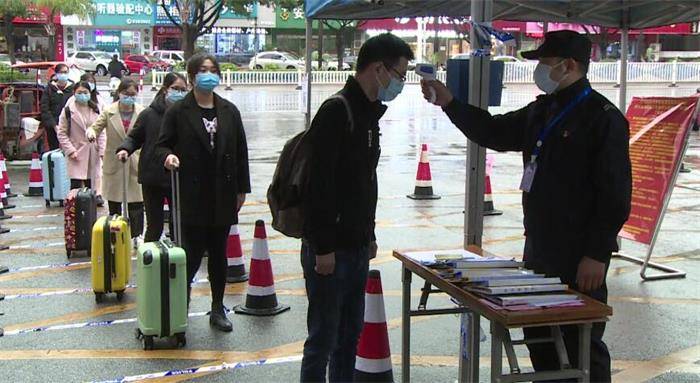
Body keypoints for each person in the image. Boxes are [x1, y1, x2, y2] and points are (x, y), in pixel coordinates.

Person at [421, 30, 632, 382]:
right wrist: (450, 104)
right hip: (540, 249)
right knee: (541, 339)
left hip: (580, 255)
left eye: (546, 64)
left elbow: (615, 192)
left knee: (580, 343)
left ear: (569, 65)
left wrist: (597, 252)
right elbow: (494, 131)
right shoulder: (543, 109)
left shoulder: (602, 118)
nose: (541, 71)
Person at [300, 33, 414, 382]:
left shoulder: (369, 115)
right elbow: (316, 186)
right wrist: (323, 248)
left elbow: (364, 183)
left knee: (350, 337)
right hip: (330, 252)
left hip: (357, 246)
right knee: (324, 338)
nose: (400, 83)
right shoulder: (338, 110)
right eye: (399, 75)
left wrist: (370, 233)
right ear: (378, 69)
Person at [156, 54, 250, 332]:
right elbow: (161, 146)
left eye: (213, 70)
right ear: (192, 75)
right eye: (202, 70)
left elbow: (241, 152)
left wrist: (242, 189)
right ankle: (180, 308)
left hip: (222, 195)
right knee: (190, 256)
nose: (209, 74)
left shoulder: (229, 111)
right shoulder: (178, 111)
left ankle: (217, 307)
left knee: (219, 256)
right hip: (190, 196)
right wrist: (169, 157)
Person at [117, 72, 187, 242]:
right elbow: (135, 137)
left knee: (179, 222)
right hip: (153, 176)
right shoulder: (149, 114)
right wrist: (125, 149)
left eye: (183, 90)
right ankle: (150, 263)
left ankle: (178, 260)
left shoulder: (186, 114)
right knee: (154, 225)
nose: (179, 93)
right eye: (175, 89)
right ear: (165, 89)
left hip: (178, 176)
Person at [87, 79, 145, 243]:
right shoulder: (108, 111)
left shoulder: (142, 112)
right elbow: (95, 127)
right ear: (119, 93)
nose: (129, 98)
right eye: (126, 94)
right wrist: (91, 133)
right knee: (114, 201)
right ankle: (115, 233)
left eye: (133, 95)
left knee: (136, 202)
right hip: (114, 161)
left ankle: (137, 235)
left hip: (135, 161)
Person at [56, 81, 106, 197]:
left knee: (92, 185)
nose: (83, 95)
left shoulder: (96, 109)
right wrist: (70, 150)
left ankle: (90, 209)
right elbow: (62, 133)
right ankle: (75, 211)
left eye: (85, 92)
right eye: (79, 92)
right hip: (76, 152)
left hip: (93, 152)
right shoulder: (68, 110)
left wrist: (102, 150)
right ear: (74, 93)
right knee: (76, 186)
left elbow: (101, 132)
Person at [41, 63, 75, 151]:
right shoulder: (49, 89)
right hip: (53, 127)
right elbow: (45, 108)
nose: (63, 74)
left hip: (71, 126)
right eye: (61, 72)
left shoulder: (73, 89)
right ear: (56, 74)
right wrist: (54, 125)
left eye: (65, 72)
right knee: (55, 150)